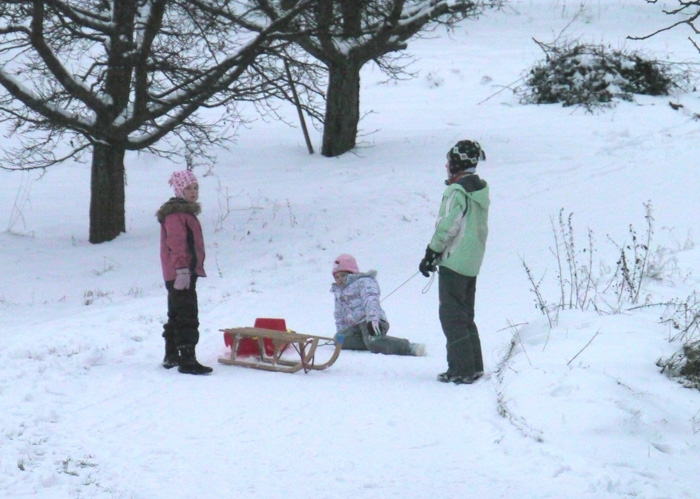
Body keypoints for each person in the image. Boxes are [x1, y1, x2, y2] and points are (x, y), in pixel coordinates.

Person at [419, 140, 490, 385]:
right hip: (471, 261)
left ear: (457, 163)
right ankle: (474, 365)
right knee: (465, 314)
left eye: (449, 161)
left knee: (452, 316)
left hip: (455, 260)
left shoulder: (456, 191)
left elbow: (449, 225)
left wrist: (432, 252)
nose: (446, 165)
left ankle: (461, 369)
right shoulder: (478, 189)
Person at [156, 170, 213, 375]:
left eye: (195, 187)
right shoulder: (176, 214)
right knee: (187, 313)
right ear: (179, 189)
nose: (193, 192)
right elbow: (177, 243)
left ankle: (172, 354)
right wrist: (182, 270)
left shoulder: (185, 212)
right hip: (180, 272)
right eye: (188, 188)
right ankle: (187, 359)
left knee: (177, 312)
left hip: (184, 271)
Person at [331, 254, 426, 356]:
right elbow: (339, 313)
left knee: (373, 341)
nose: (339, 279)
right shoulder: (338, 291)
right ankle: (375, 343)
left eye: (343, 275)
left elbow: (371, 300)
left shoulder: (364, 282)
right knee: (339, 341)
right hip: (356, 327)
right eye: (337, 277)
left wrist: (372, 320)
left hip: (372, 322)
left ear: (352, 273)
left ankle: (408, 347)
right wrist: (342, 332)